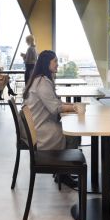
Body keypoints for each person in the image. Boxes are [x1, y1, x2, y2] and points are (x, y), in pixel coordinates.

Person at [22, 50, 81, 187]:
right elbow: (56, 108)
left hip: (36, 126)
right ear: (46, 63)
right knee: (72, 135)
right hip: (40, 129)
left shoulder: (39, 80)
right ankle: (64, 172)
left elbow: (55, 103)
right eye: (55, 61)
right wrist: (76, 108)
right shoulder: (43, 83)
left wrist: (72, 105)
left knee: (70, 130)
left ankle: (61, 171)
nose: (57, 64)